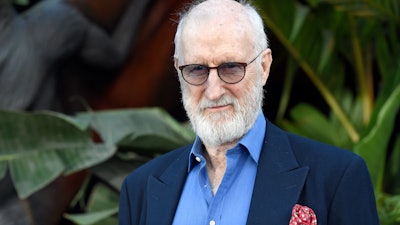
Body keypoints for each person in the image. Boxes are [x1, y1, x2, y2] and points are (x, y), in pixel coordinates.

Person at [118, 0, 380, 224]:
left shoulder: (336, 178)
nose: (213, 91)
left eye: (231, 68)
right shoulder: (140, 189)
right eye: (196, 70)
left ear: (264, 67)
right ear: (178, 70)